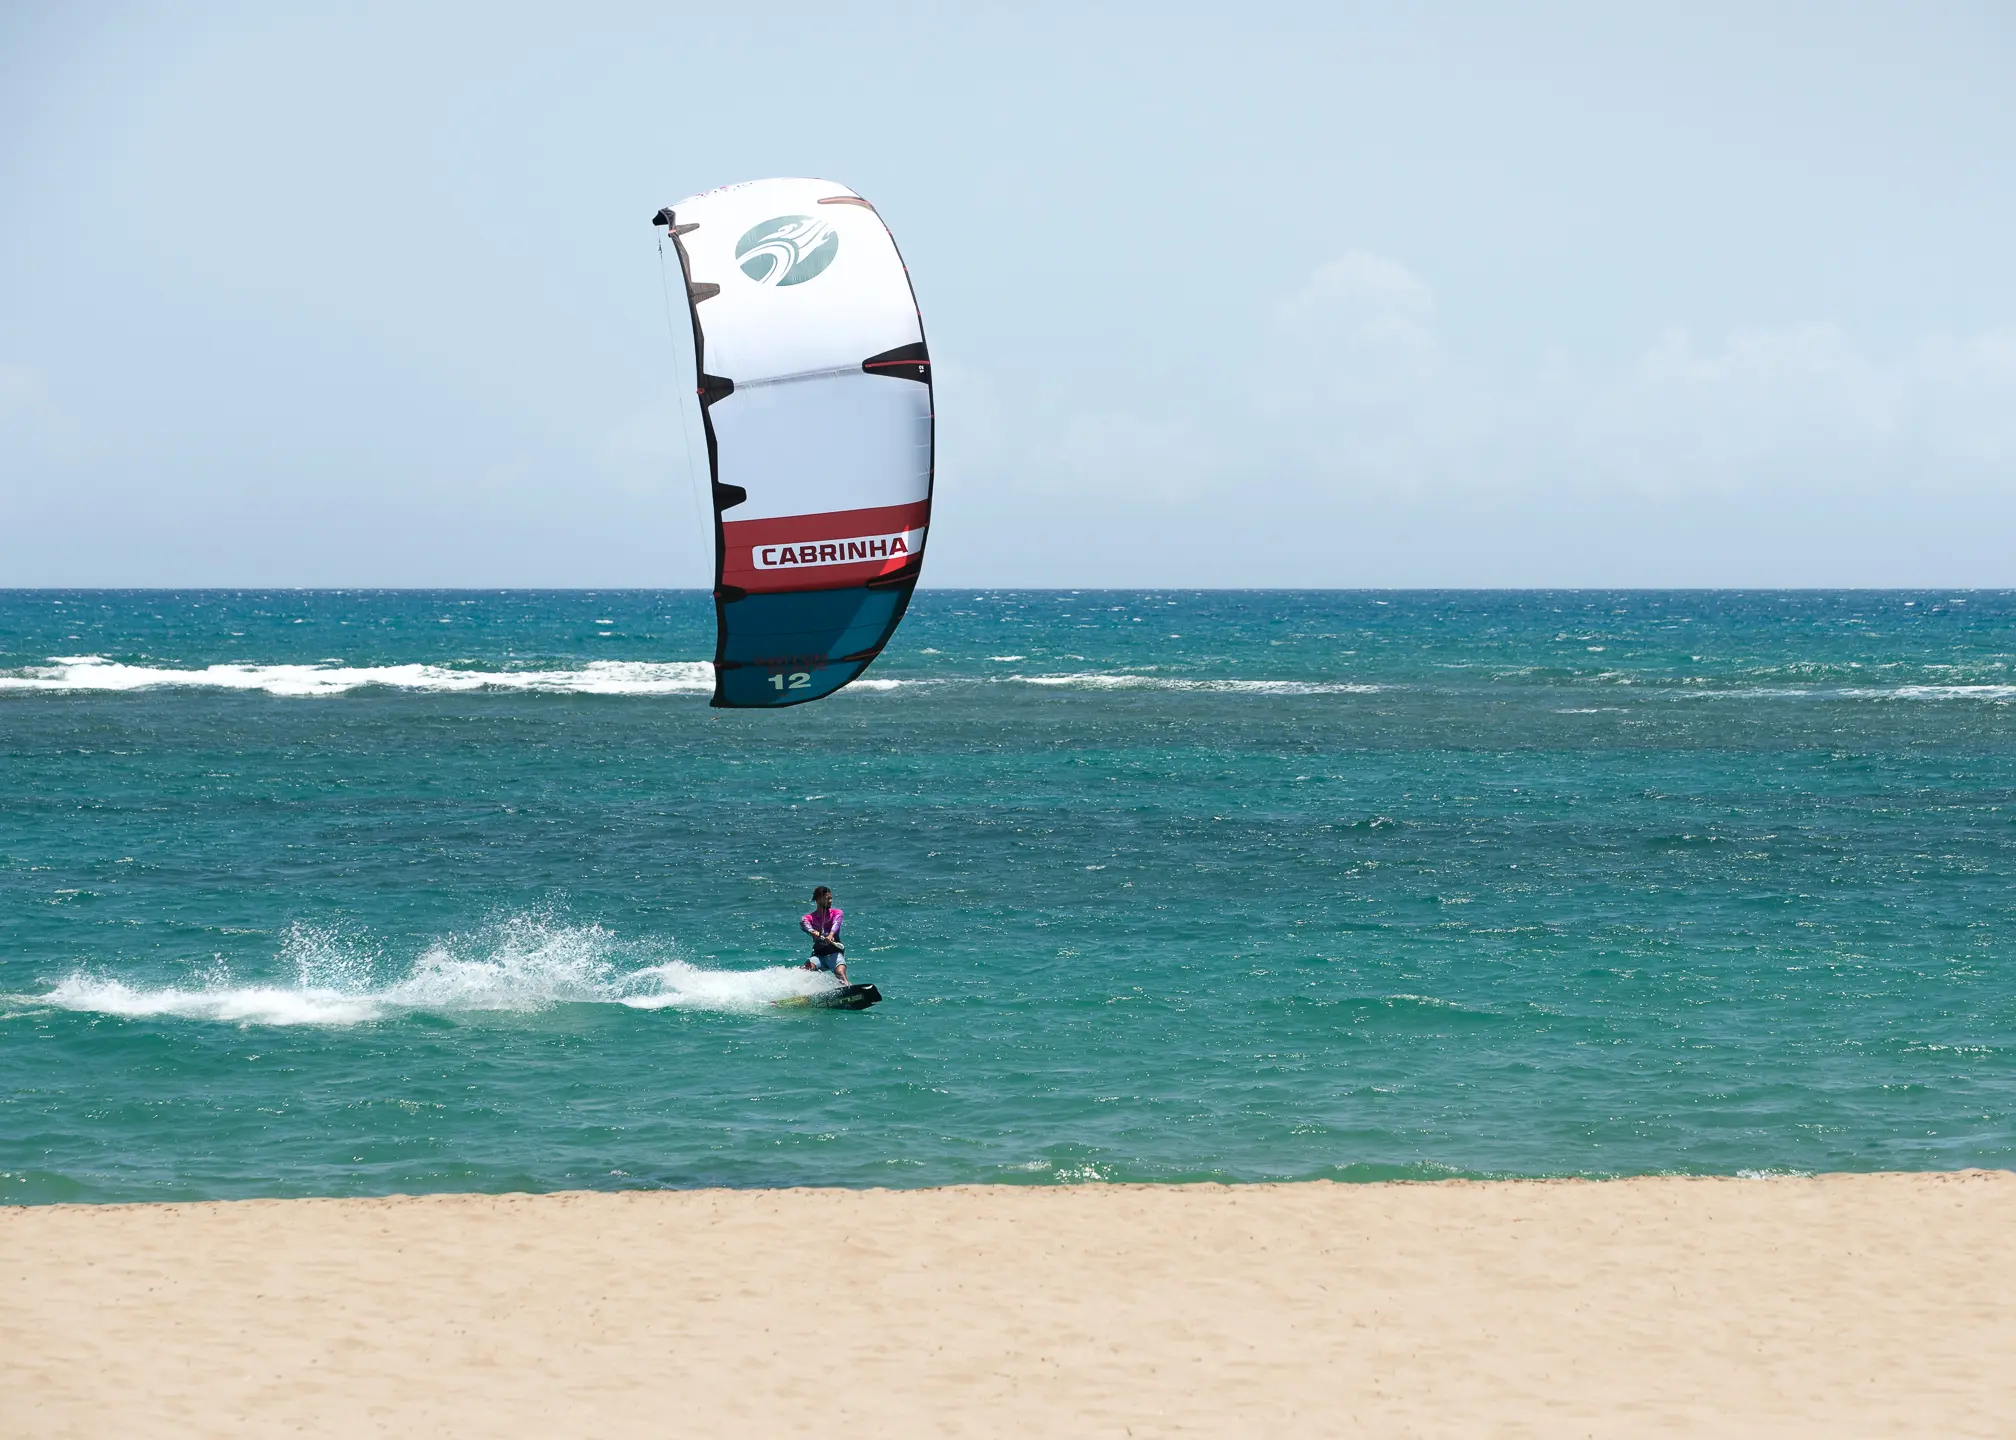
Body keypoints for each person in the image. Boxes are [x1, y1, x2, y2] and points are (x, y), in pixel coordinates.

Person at [800, 886, 847, 984]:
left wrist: (831, 935)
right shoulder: (808, 918)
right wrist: (812, 931)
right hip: (818, 956)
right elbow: (805, 925)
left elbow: (836, 923)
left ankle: (848, 987)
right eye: (827, 898)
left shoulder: (837, 913)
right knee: (803, 971)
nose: (830, 901)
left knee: (841, 973)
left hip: (834, 954)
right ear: (818, 900)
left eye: (831, 898)